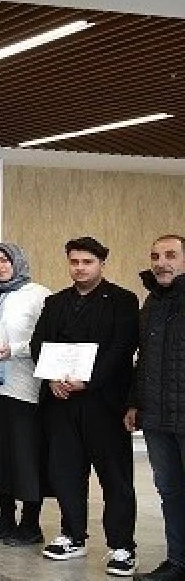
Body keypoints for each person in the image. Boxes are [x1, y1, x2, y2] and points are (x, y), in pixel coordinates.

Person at [30, 236, 138, 575]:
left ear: (102, 263)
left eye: (87, 262)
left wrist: (87, 382)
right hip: (61, 402)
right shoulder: (55, 302)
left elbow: (121, 348)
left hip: (104, 403)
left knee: (115, 477)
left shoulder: (122, 300)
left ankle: (122, 546)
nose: (80, 268)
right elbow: (38, 343)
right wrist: (51, 378)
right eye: (74, 262)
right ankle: (72, 535)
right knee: (66, 472)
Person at [0, 243, 49, 547]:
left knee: (25, 457)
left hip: (23, 387)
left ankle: (30, 523)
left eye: (4, 260)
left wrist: (13, 350)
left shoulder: (37, 295)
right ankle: (5, 517)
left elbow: (44, 339)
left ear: (18, 263)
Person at [125, 235, 185, 581]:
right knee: (170, 492)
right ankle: (178, 562)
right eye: (155, 256)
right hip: (157, 418)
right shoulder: (152, 302)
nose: (161, 263)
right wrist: (135, 402)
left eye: (171, 255)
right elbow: (143, 360)